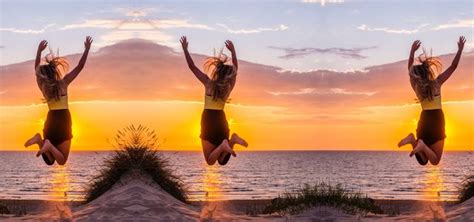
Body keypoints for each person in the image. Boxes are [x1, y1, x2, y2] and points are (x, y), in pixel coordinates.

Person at [24, 36, 93, 165]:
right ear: (54, 72)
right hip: (63, 119)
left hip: (50, 120)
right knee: (62, 160)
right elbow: (80, 67)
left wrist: (38, 51)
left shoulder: (43, 87)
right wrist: (87, 49)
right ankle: (48, 145)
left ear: (43, 75)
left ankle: (40, 141)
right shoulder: (64, 82)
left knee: (50, 161)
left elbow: (36, 69)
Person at [180, 36, 248, 166]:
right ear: (228, 76)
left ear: (218, 72)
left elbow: (192, 67)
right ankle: (231, 141)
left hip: (208, 119)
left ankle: (224, 145)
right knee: (222, 161)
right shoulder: (229, 87)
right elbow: (236, 69)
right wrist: (233, 52)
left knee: (210, 161)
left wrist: (185, 50)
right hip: (221, 120)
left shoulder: (208, 83)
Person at [398, 36, 466, 165]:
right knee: (435, 161)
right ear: (427, 72)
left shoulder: (416, 86)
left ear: (416, 75)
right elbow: (453, 66)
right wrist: (460, 49)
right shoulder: (437, 83)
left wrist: (412, 51)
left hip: (424, 120)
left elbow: (409, 69)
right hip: (437, 119)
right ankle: (421, 145)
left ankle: (414, 141)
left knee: (423, 161)